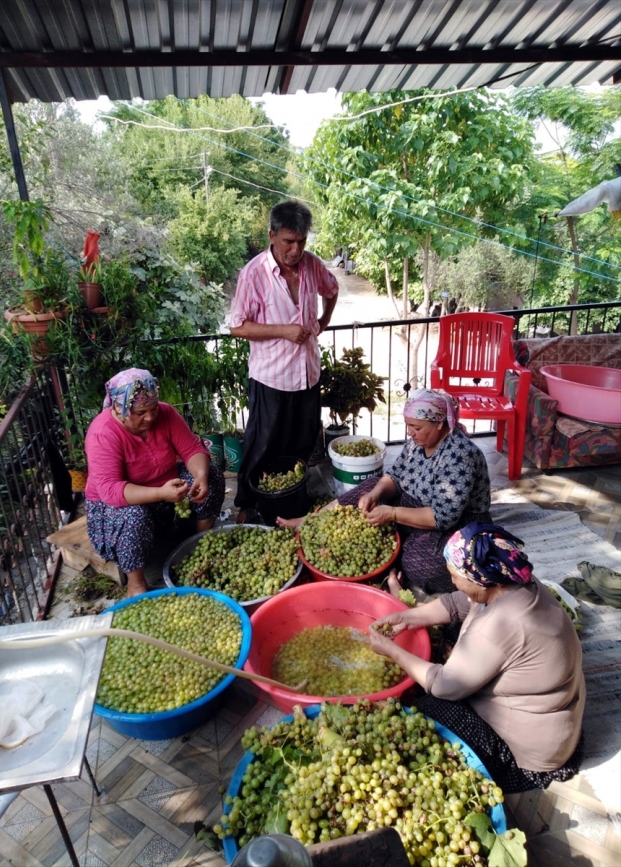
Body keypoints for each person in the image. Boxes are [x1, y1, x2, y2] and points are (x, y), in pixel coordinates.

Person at [368, 523, 585, 793]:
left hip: (527, 758)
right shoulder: (513, 582)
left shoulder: (499, 626)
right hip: (560, 722)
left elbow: (443, 685)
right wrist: (408, 618)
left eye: (455, 576)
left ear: (477, 579)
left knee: (427, 708)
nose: (452, 583)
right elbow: (457, 603)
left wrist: (392, 651)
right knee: (453, 630)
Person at [278, 388, 492, 594]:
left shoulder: (459, 456)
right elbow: (395, 476)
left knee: (419, 564)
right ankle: (312, 519)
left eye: (416, 428)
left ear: (439, 424)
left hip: (457, 525)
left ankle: (401, 551)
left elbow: (442, 518)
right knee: (371, 485)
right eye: (409, 426)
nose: (410, 433)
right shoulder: (416, 443)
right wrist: (376, 493)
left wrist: (392, 513)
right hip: (415, 507)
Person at [229, 200, 339, 523]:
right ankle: (247, 503)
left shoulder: (313, 265)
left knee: (303, 441)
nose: (296, 249)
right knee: (262, 443)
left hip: (307, 374)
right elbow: (238, 326)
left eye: (302, 242)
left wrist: (323, 320)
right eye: (289, 242)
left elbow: (332, 290)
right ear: (272, 236)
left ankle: (291, 498)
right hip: (270, 378)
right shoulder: (254, 274)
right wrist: (283, 331)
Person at [84, 368, 225, 596]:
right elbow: (111, 491)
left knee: (213, 476)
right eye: (140, 413)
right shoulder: (103, 434)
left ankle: (199, 543)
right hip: (120, 505)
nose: (150, 417)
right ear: (119, 409)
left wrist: (200, 475)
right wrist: (160, 493)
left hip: (165, 490)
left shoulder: (166, 414)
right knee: (133, 517)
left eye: (153, 409)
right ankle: (136, 583)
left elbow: (191, 449)